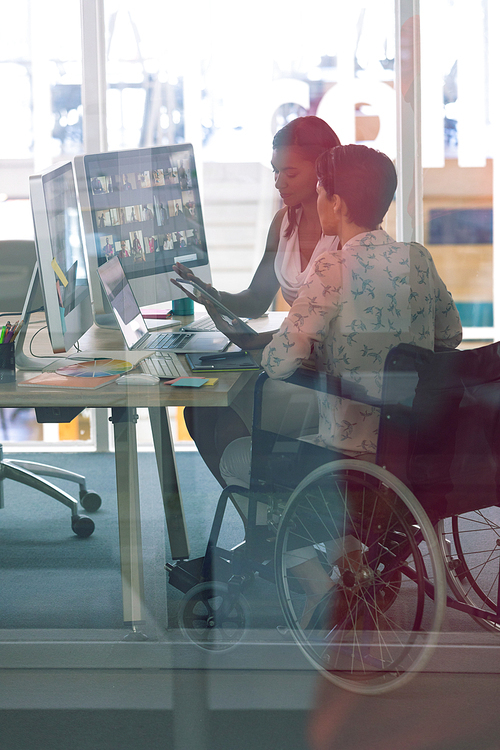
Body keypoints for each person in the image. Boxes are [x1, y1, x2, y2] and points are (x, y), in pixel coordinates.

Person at [214, 144, 462, 625]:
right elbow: (448, 337)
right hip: (413, 442)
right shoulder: (417, 259)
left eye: (322, 191)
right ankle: (350, 556)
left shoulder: (333, 269)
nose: (318, 200)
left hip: (349, 451)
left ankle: (316, 584)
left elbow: (281, 364)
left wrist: (303, 347)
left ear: (338, 204)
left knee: (238, 459)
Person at [173, 116, 341, 486]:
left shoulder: (347, 231)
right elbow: (254, 299)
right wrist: (211, 295)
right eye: (275, 171)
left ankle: (273, 526)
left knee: (221, 421)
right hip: (291, 361)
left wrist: (255, 342)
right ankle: (262, 525)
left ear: (323, 171)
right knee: (199, 414)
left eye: (290, 173)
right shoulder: (283, 223)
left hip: (327, 378)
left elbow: (334, 328)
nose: (279, 182)